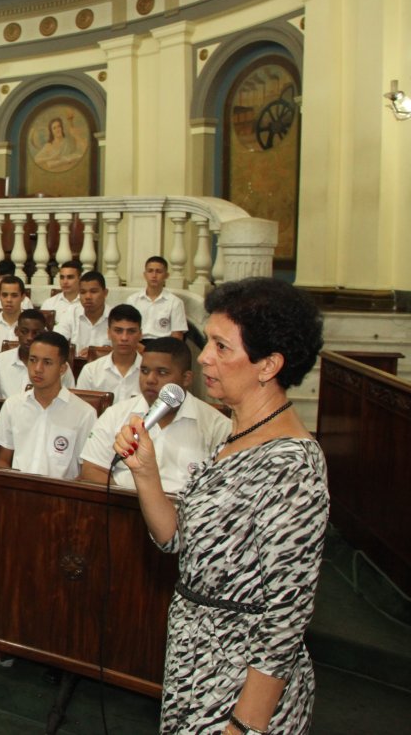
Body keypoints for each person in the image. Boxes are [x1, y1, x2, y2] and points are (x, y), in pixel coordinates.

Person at [111, 277, 327, 735]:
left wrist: (245, 725)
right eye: (208, 341)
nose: (205, 356)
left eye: (222, 347)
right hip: (196, 659)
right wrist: (145, 471)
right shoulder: (235, 436)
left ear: (269, 365)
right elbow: (176, 540)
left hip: (240, 678)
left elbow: (286, 614)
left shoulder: (292, 463)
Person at [81, 336, 230, 492]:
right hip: (125, 506)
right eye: (144, 371)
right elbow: (92, 470)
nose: (150, 379)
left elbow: (221, 490)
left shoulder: (216, 425)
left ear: (186, 379)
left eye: (162, 372)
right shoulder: (115, 414)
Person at [0, 331, 97, 480]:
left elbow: (85, 471)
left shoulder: (84, 413)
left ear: (62, 369)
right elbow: (3, 460)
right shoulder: (12, 405)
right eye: (33, 360)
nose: (38, 368)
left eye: (47, 362)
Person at [0, 309, 73, 399]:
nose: (29, 338)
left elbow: (69, 399)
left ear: (44, 333)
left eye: (36, 333)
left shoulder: (59, 366)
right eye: (24, 331)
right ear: (16, 331)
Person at [75, 303, 144, 403]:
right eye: (118, 331)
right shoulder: (91, 371)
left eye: (131, 331)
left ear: (140, 335)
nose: (124, 338)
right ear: (108, 333)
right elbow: (81, 413)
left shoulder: (151, 374)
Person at [129, 256, 188, 341]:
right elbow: (127, 329)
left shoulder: (175, 302)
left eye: (159, 271)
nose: (154, 275)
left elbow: (177, 336)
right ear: (145, 275)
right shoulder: (132, 300)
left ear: (166, 275)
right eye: (150, 271)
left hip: (163, 346)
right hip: (137, 344)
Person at [55, 271, 110, 357]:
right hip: (76, 366)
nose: (88, 297)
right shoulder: (71, 312)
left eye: (93, 291)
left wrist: (97, 352)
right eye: (83, 292)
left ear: (105, 293)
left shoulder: (115, 316)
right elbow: (55, 342)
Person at [41, 260, 83, 327]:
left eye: (70, 277)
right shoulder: (49, 304)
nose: (65, 282)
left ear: (80, 279)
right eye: (62, 277)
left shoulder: (87, 303)